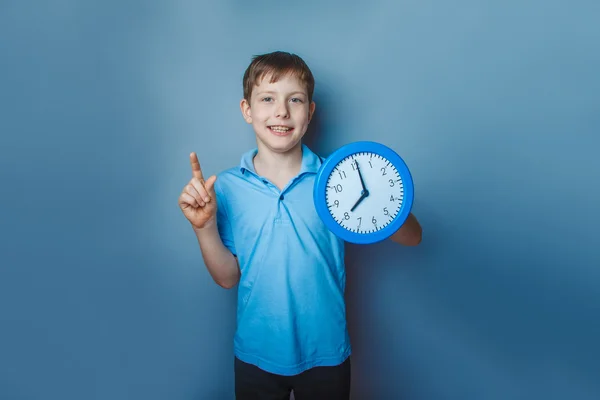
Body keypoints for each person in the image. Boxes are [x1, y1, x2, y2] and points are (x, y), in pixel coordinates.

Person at [178, 51, 422, 400]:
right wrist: (203, 228)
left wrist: (385, 202)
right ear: (247, 110)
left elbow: (413, 237)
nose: (281, 111)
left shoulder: (339, 179)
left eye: (295, 100)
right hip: (255, 354)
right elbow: (227, 277)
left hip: (326, 353)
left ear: (309, 112)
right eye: (267, 99)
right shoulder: (227, 188)